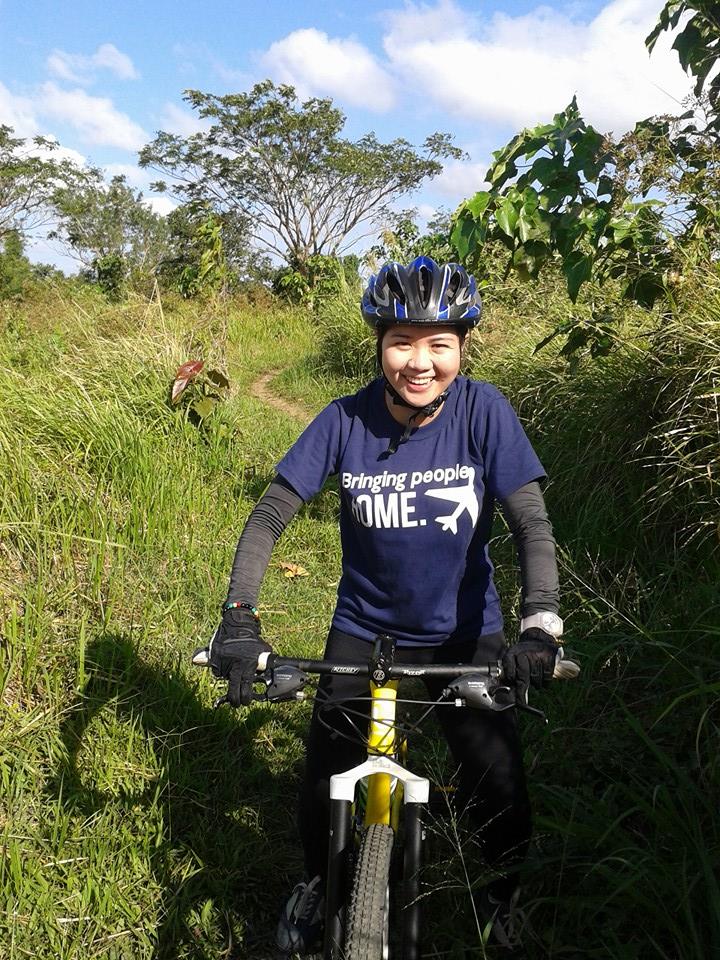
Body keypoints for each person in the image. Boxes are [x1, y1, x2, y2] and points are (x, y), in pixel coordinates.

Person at [209, 256, 563, 955]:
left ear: (462, 348)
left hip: (463, 633)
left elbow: (531, 523)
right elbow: (271, 514)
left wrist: (539, 625)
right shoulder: (345, 419)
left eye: (439, 344)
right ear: (378, 345)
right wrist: (240, 616)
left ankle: (503, 896)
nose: (419, 362)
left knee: (497, 780)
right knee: (322, 780)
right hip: (364, 628)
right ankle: (320, 882)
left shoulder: (484, 411)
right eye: (402, 341)